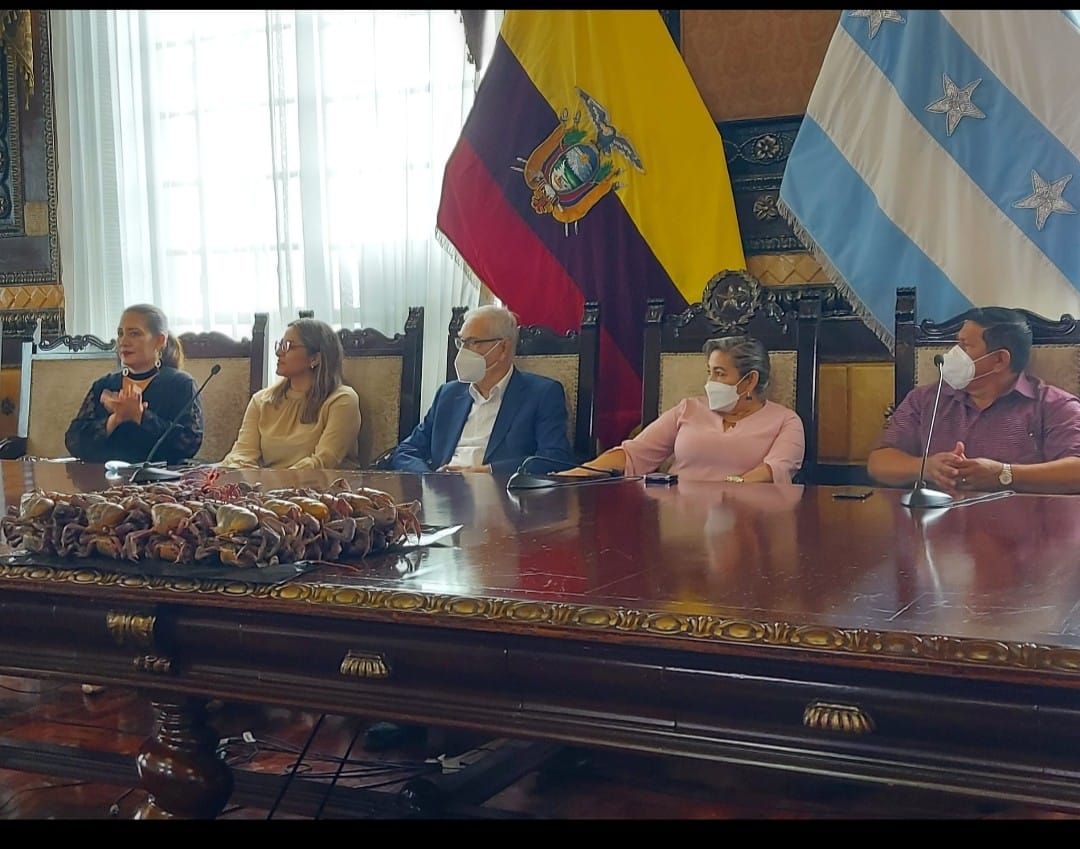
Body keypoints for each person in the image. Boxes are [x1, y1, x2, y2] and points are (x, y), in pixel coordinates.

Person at [867, 306, 1080, 495]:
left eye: (964, 346)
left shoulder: (1055, 406)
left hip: (1021, 525)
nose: (952, 354)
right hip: (936, 523)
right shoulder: (926, 399)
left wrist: (1004, 474)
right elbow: (879, 463)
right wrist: (926, 468)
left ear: (999, 360)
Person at [560, 335, 805, 483]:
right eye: (709, 372)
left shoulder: (785, 421)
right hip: (676, 518)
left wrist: (729, 493)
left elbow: (775, 470)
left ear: (749, 380)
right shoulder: (689, 408)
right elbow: (634, 453)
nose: (710, 382)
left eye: (720, 373)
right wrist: (572, 475)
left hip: (746, 521)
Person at [387, 304, 575, 476]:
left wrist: (487, 472)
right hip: (441, 490)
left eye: (473, 342)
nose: (463, 351)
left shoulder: (542, 394)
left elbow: (554, 458)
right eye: (461, 342)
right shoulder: (448, 394)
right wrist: (430, 478)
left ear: (503, 348)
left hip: (499, 494)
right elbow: (406, 451)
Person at [65, 304, 204, 465]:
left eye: (134, 333)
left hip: (162, 478)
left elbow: (189, 444)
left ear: (159, 340)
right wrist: (114, 420)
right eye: (120, 334)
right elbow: (73, 442)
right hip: (102, 477)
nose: (123, 341)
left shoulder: (180, 384)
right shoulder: (104, 385)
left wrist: (140, 416)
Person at [220, 317, 361, 470]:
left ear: (315, 358)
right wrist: (233, 471)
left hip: (320, 484)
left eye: (288, 346)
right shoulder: (261, 400)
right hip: (267, 484)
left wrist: (273, 479)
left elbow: (323, 462)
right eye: (280, 344)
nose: (278, 352)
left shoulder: (342, 400)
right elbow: (242, 453)